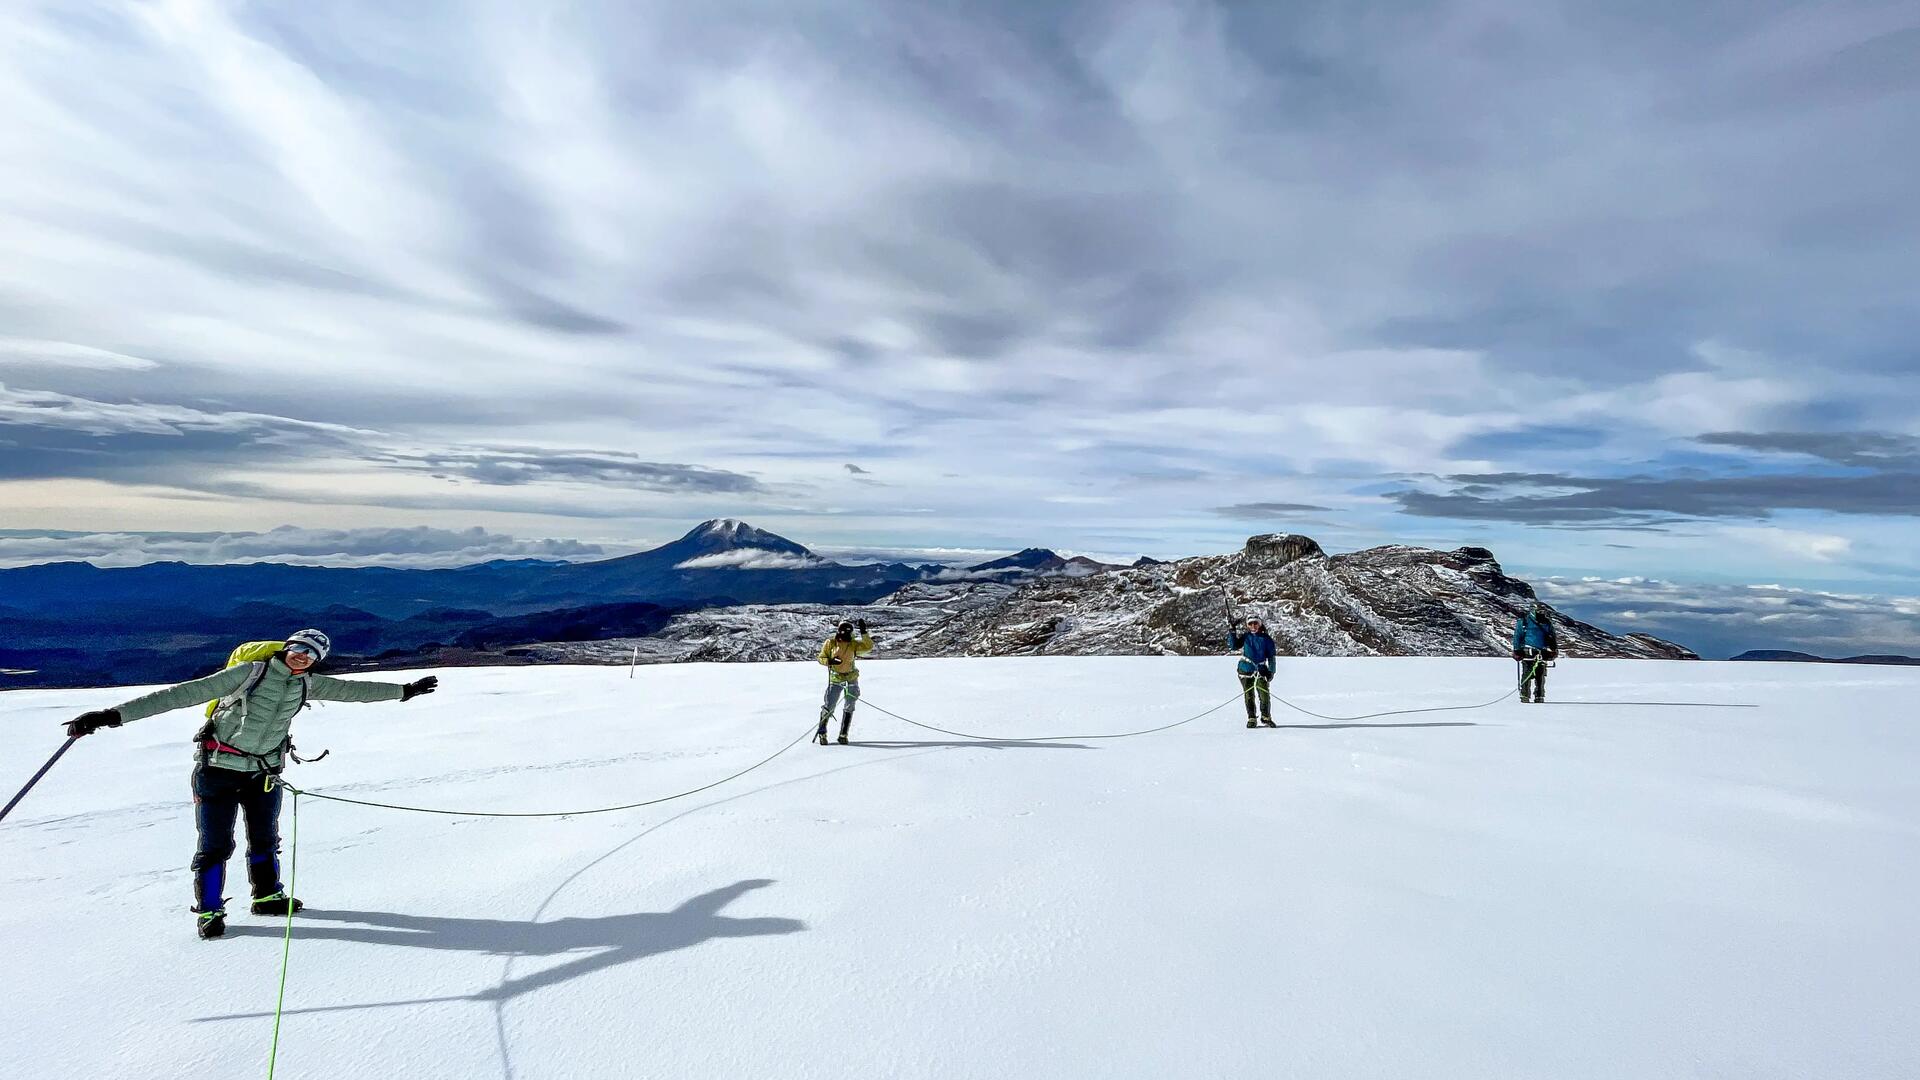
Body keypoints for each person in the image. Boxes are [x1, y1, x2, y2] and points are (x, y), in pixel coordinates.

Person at [62, 629, 439, 939]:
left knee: (264, 838)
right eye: (298, 650)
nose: (302, 657)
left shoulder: (306, 684)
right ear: (287, 647)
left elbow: (355, 692)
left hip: (264, 773)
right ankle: (209, 911)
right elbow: (181, 694)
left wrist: (404, 691)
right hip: (217, 771)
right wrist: (112, 716)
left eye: (310, 655)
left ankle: (267, 897)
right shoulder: (249, 673)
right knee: (215, 844)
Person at [815, 618, 874, 745]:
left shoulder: (853, 644)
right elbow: (821, 658)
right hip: (836, 679)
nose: (843, 636)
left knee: (849, 706)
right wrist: (829, 661)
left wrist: (864, 632)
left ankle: (843, 734)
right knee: (829, 705)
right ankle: (822, 731)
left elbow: (868, 647)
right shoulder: (830, 643)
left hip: (851, 678)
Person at [1227, 616, 1278, 728]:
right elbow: (1233, 646)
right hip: (1245, 669)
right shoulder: (1246, 637)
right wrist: (1232, 631)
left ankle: (1265, 716)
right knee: (1249, 694)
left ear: (1259, 624)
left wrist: (1271, 671)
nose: (1253, 626)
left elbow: (1271, 657)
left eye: (1255, 623)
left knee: (1264, 694)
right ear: (1247, 626)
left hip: (1261, 671)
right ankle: (1251, 718)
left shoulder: (1266, 639)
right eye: (1250, 624)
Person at [1511, 601, 1560, 703]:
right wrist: (1516, 650)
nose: (1542, 613)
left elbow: (1552, 636)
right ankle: (1525, 695)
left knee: (1540, 675)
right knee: (1527, 674)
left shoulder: (1547, 622)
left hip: (1542, 652)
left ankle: (1539, 696)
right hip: (1528, 651)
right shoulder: (1524, 621)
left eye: (1543, 611)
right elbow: (1517, 636)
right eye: (1539, 611)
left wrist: (1554, 649)